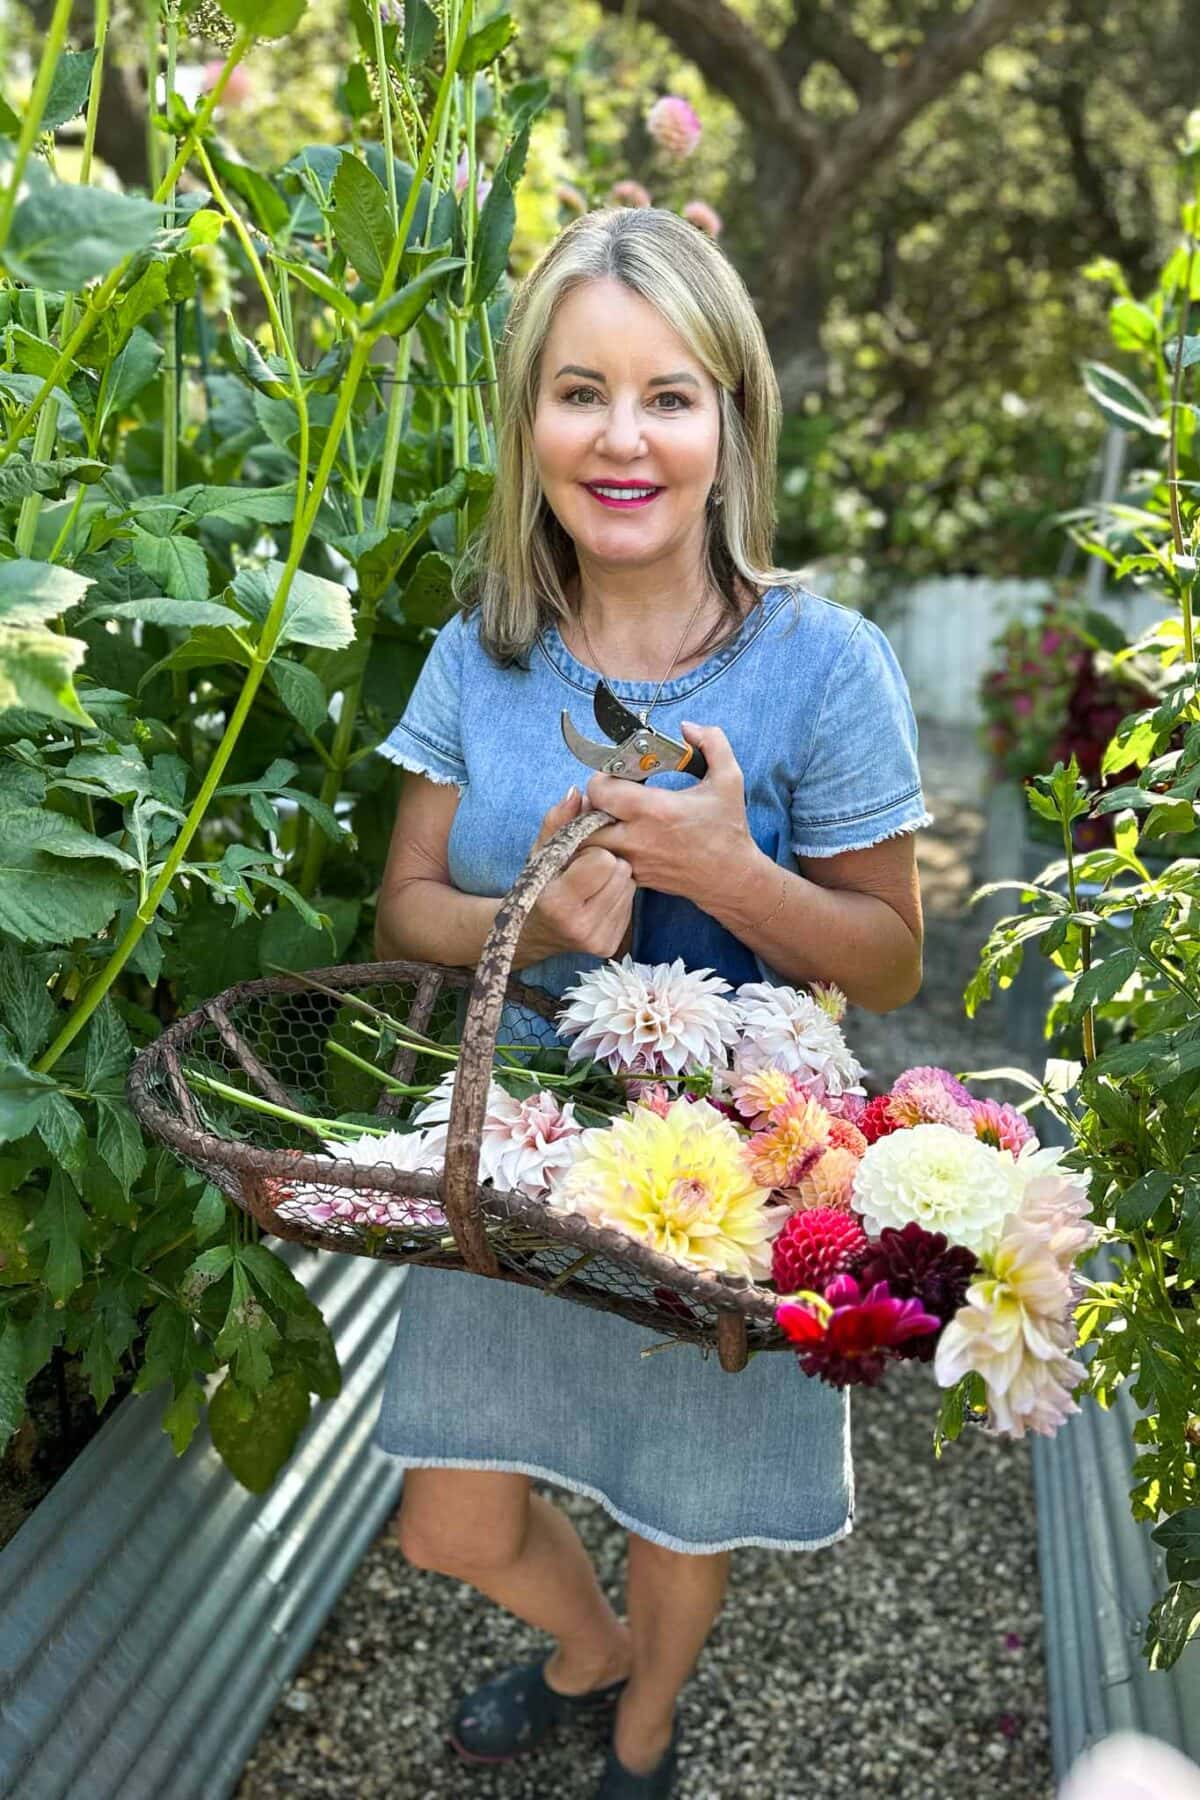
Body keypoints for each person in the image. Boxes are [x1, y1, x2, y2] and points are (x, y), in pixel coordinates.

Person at [372, 205, 931, 1799]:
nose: (622, 438)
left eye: (669, 395)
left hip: (730, 1171)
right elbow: (407, 909)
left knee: (678, 1504)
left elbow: (887, 953)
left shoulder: (824, 663)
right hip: (511, 1144)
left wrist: (735, 874)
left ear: (729, 423)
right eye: (580, 391)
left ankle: (640, 1716)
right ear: (527, 420)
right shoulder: (479, 656)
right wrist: (524, 923)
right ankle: (591, 1644)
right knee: (452, 1520)